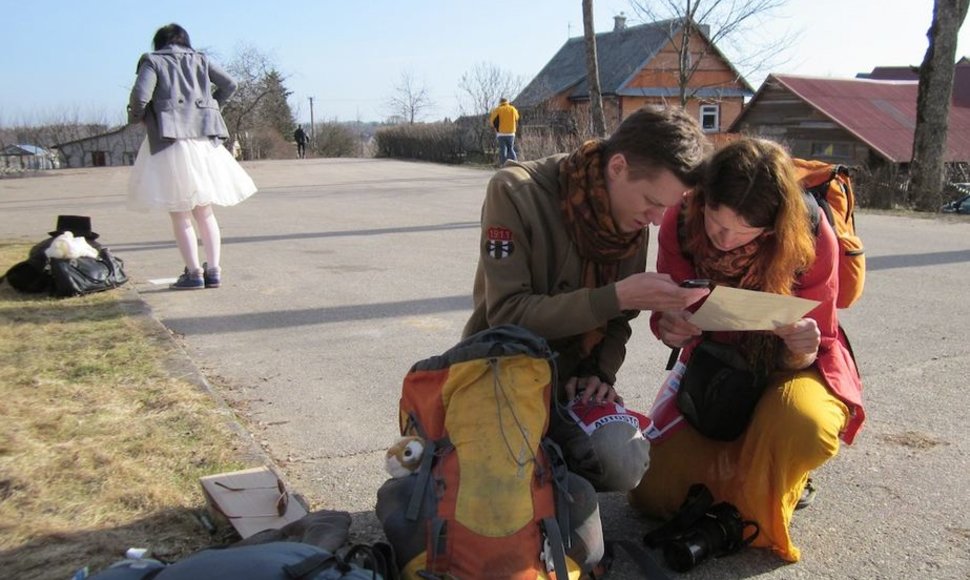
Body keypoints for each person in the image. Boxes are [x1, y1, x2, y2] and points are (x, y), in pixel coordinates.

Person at [629, 137, 865, 562]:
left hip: (792, 369)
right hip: (717, 361)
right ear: (702, 198)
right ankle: (755, 472)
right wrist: (670, 329)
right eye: (717, 224)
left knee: (803, 424)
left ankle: (783, 467)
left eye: (745, 234)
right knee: (651, 495)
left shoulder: (812, 236)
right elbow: (668, 310)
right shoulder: (681, 222)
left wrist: (800, 350)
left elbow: (820, 337)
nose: (724, 241)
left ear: (775, 226)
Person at [463, 106, 712, 493]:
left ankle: (553, 470)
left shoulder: (632, 216)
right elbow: (507, 316)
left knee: (624, 462)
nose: (658, 219)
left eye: (666, 206)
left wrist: (599, 375)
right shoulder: (516, 191)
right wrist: (612, 297)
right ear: (617, 167)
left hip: (573, 383)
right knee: (491, 483)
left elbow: (617, 324)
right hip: (501, 373)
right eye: (652, 201)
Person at [126, 23, 257, 290]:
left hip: (169, 139)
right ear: (185, 41)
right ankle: (215, 270)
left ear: (159, 42)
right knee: (205, 211)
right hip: (204, 140)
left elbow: (140, 96)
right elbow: (230, 84)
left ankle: (195, 272)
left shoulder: (153, 61)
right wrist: (211, 106)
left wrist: (138, 118)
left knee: (180, 212)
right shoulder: (201, 59)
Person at [489, 97, 520, 166]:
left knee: (503, 149)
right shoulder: (513, 109)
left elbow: (491, 121)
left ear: (500, 102)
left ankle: (503, 164)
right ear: (507, 102)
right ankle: (515, 162)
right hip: (511, 133)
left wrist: (494, 128)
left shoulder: (497, 110)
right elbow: (517, 118)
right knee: (511, 148)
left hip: (501, 133)